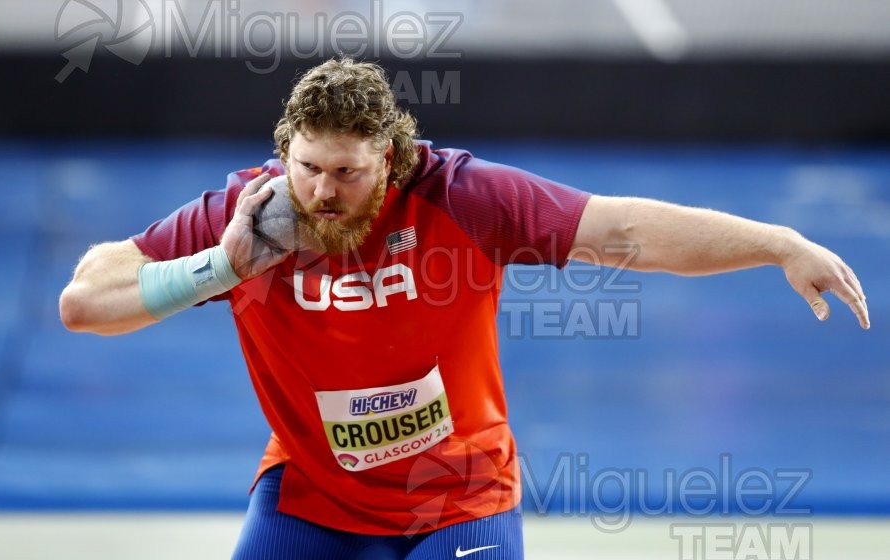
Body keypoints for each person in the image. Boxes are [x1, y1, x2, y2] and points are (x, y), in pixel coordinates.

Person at [59, 57, 870, 560]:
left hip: (459, 499)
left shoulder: (464, 198)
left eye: (346, 172)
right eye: (307, 167)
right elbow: (84, 301)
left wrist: (776, 242)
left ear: (390, 155)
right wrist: (214, 269)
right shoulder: (247, 216)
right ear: (283, 155)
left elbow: (622, 228)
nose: (321, 193)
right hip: (315, 497)